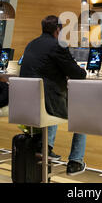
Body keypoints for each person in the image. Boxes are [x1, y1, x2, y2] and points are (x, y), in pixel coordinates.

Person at [19, 15, 87, 176]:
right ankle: (76, 161)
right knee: (82, 116)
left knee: (57, 101)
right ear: (58, 30)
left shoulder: (31, 44)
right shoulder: (57, 45)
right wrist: (82, 71)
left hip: (28, 104)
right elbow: (76, 73)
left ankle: (46, 146)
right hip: (47, 104)